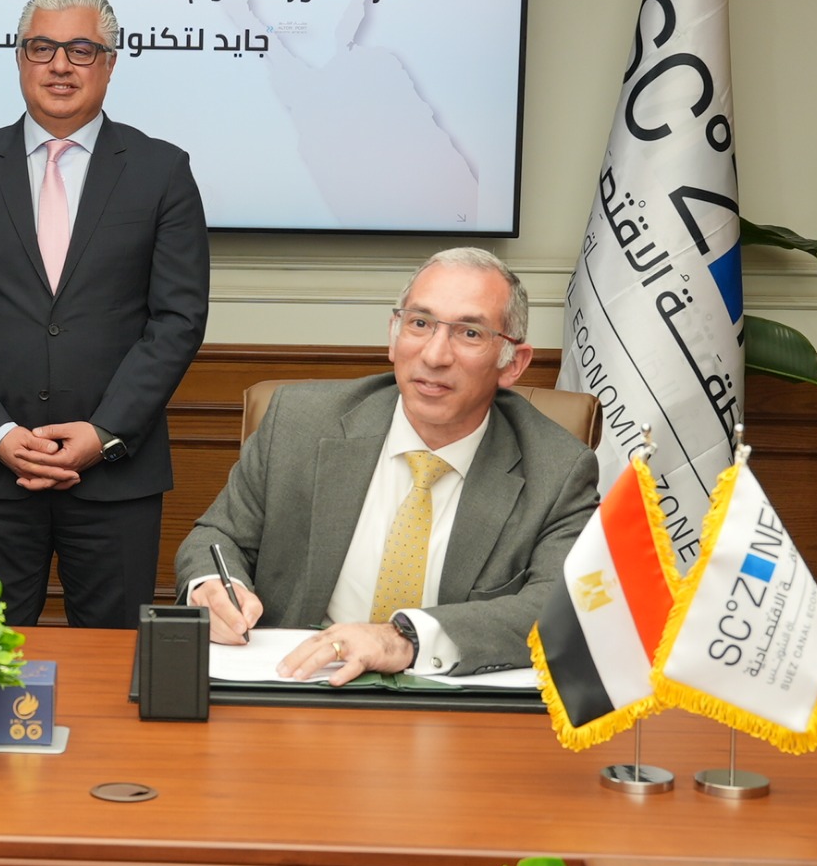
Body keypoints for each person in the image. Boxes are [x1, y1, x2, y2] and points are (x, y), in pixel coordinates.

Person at [0, 0, 210, 628]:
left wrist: (104, 434)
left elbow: (178, 320)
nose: (60, 65)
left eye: (81, 49)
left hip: (116, 478)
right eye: (42, 48)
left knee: (117, 663)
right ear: (20, 58)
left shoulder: (162, 171)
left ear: (110, 62)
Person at [174, 247, 599, 684]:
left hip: (446, 694)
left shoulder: (558, 470)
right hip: (299, 681)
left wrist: (403, 639)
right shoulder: (299, 424)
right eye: (420, 324)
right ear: (393, 337)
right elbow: (218, 537)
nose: (434, 355)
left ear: (514, 364)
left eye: (469, 333)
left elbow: (560, 606)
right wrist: (214, 587)